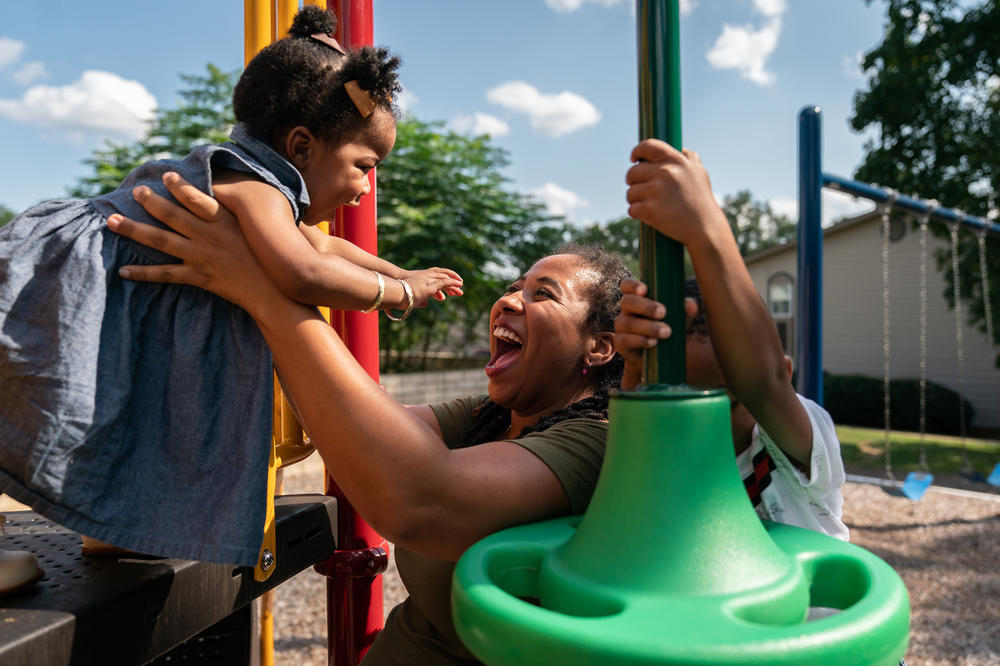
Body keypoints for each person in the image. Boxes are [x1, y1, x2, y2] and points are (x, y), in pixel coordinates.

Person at [105, 173, 631, 664]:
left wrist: (266, 294)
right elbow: (365, 427)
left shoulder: (599, 443)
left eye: (543, 295)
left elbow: (420, 501)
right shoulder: (489, 416)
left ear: (600, 347)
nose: (509, 300)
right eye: (516, 286)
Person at [0, 6, 461, 566]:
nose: (367, 186)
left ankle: (118, 525)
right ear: (301, 147)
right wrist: (399, 295)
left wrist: (401, 272)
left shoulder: (265, 193)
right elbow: (305, 272)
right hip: (72, 287)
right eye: (364, 164)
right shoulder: (250, 181)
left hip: (115, 303)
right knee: (47, 401)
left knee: (114, 413)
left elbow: (328, 248)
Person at [617, 138, 847, 540]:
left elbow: (762, 383)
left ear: (787, 375)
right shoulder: (670, 461)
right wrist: (636, 369)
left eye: (728, 400)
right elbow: (630, 447)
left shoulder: (794, 451)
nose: (704, 420)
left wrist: (706, 228)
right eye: (683, 398)